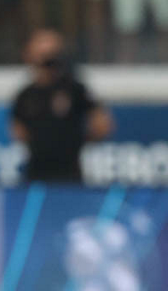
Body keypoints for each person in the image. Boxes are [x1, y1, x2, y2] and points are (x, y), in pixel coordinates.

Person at [9, 29, 113, 182]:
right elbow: (18, 130)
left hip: (69, 172)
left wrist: (79, 142)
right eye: (42, 55)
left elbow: (102, 124)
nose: (46, 62)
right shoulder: (26, 95)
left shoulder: (73, 88)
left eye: (51, 55)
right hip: (36, 171)